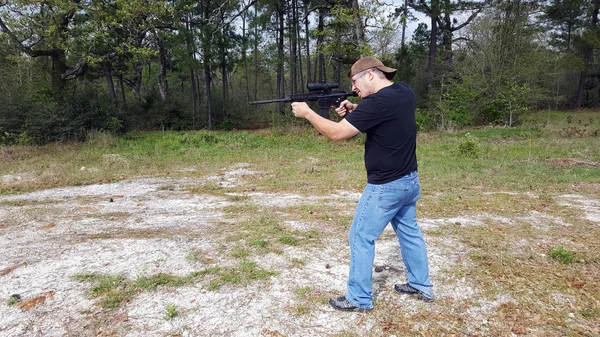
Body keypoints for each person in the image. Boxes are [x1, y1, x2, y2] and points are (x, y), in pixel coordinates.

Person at [290, 56, 434, 312]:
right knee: (409, 232)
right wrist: (357, 110)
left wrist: (307, 113)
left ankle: (358, 298)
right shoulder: (404, 92)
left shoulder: (376, 103)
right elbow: (386, 117)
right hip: (409, 181)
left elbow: (336, 134)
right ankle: (421, 284)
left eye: (355, 81)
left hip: (386, 187)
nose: (354, 88)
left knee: (360, 236)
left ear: (370, 74)